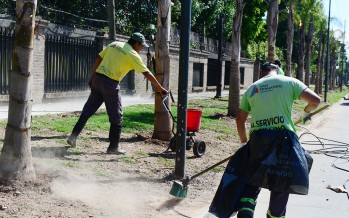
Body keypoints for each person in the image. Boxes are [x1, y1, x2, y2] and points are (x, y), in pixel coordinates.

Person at [234, 62, 321, 218]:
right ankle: (275, 214)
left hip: (258, 140)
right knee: (282, 181)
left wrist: (245, 142)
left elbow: (240, 120)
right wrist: (306, 112)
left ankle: (245, 213)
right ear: (278, 71)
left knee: (254, 178)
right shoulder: (289, 82)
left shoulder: (252, 88)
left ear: (261, 73)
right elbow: (315, 100)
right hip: (284, 141)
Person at [67, 32, 168, 155]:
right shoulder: (132, 54)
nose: (141, 49)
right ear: (136, 43)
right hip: (110, 84)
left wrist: (92, 77)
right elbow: (146, 73)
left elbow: (98, 58)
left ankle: (73, 137)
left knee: (88, 110)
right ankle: (113, 147)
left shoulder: (114, 44)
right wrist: (160, 87)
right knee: (116, 115)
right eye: (141, 46)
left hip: (98, 80)